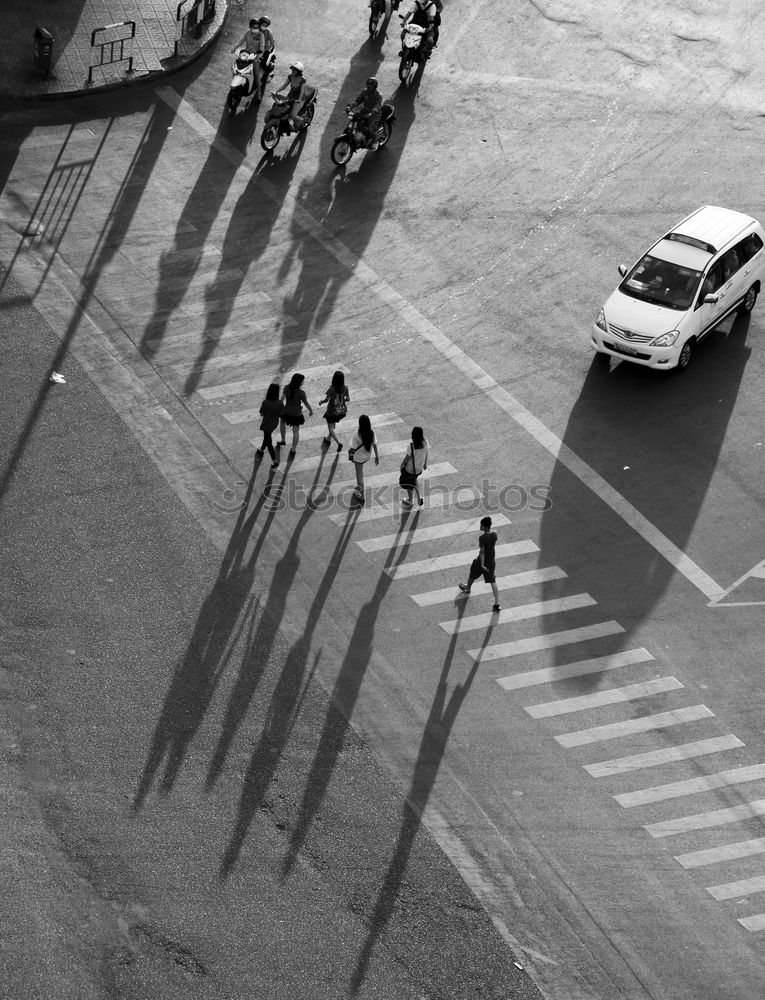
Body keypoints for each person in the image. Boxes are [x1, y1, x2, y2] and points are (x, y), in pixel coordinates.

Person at [457, 516, 500, 612]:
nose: (480, 526)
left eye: (481, 525)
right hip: (491, 561)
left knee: (473, 572)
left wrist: (482, 565)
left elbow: (482, 552)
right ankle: (497, 603)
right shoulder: (495, 534)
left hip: (482, 561)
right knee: (493, 581)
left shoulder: (482, 538)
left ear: (485, 527)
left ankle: (467, 588)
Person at [277, 373, 313, 457]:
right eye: (302, 381)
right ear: (299, 382)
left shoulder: (286, 388)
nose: (303, 382)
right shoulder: (301, 392)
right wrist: (311, 411)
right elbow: (306, 403)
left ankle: (283, 440)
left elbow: (281, 399)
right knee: (296, 431)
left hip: (286, 412)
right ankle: (293, 449)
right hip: (297, 414)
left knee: (282, 423)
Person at [348, 414, 379, 502]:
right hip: (367, 456)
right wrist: (377, 457)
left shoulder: (356, 434)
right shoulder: (372, 433)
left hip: (358, 458)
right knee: (360, 475)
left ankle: (361, 496)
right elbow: (375, 446)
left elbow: (353, 447)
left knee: (359, 477)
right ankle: (359, 489)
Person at [318, 370, 350, 452]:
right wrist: (341, 400)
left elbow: (326, 400)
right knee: (333, 425)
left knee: (330, 428)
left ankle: (339, 443)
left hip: (331, 411)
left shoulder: (332, 388)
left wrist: (321, 402)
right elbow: (348, 399)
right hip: (340, 411)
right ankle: (328, 439)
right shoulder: (345, 388)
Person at [399, 426, 429, 507]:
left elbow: (407, 458)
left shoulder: (411, 446)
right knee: (414, 480)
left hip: (410, 469)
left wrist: (401, 465)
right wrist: (425, 463)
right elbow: (426, 452)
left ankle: (410, 500)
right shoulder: (425, 442)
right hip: (418, 469)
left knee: (408, 484)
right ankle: (419, 497)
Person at [273, 62, 308, 131]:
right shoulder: (290, 76)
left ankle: (303, 121)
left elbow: (302, 91)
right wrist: (276, 91)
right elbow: (284, 86)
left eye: (294, 70)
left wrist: (299, 100)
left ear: (298, 71)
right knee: (283, 110)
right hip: (290, 97)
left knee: (293, 115)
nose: (292, 71)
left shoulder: (302, 79)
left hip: (299, 99)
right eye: (292, 70)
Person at [350, 77, 383, 148]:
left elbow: (378, 105)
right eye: (368, 87)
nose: (369, 88)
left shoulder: (378, 96)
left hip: (374, 114)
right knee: (357, 123)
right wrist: (351, 106)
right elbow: (358, 100)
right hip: (364, 112)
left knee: (371, 130)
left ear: (374, 87)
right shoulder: (365, 92)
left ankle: (375, 142)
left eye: (371, 87)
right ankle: (360, 138)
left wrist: (373, 111)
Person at [256, 382, 283, 468]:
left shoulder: (265, 402)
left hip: (266, 424)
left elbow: (261, 413)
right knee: (267, 437)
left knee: (269, 442)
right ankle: (261, 449)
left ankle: (274, 460)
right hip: (274, 424)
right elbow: (281, 413)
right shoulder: (280, 403)